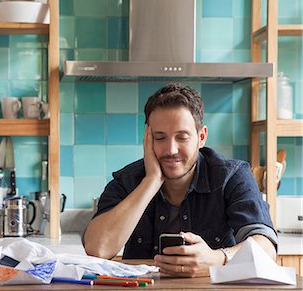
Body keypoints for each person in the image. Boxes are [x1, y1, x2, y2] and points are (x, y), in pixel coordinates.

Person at [83, 83, 277, 277]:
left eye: (182, 137)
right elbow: (96, 249)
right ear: (147, 139)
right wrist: (151, 181)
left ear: (201, 137)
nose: (171, 150)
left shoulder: (232, 176)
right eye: (160, 138)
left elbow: (266, 248)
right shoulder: (128, 180)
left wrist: (218, 258)